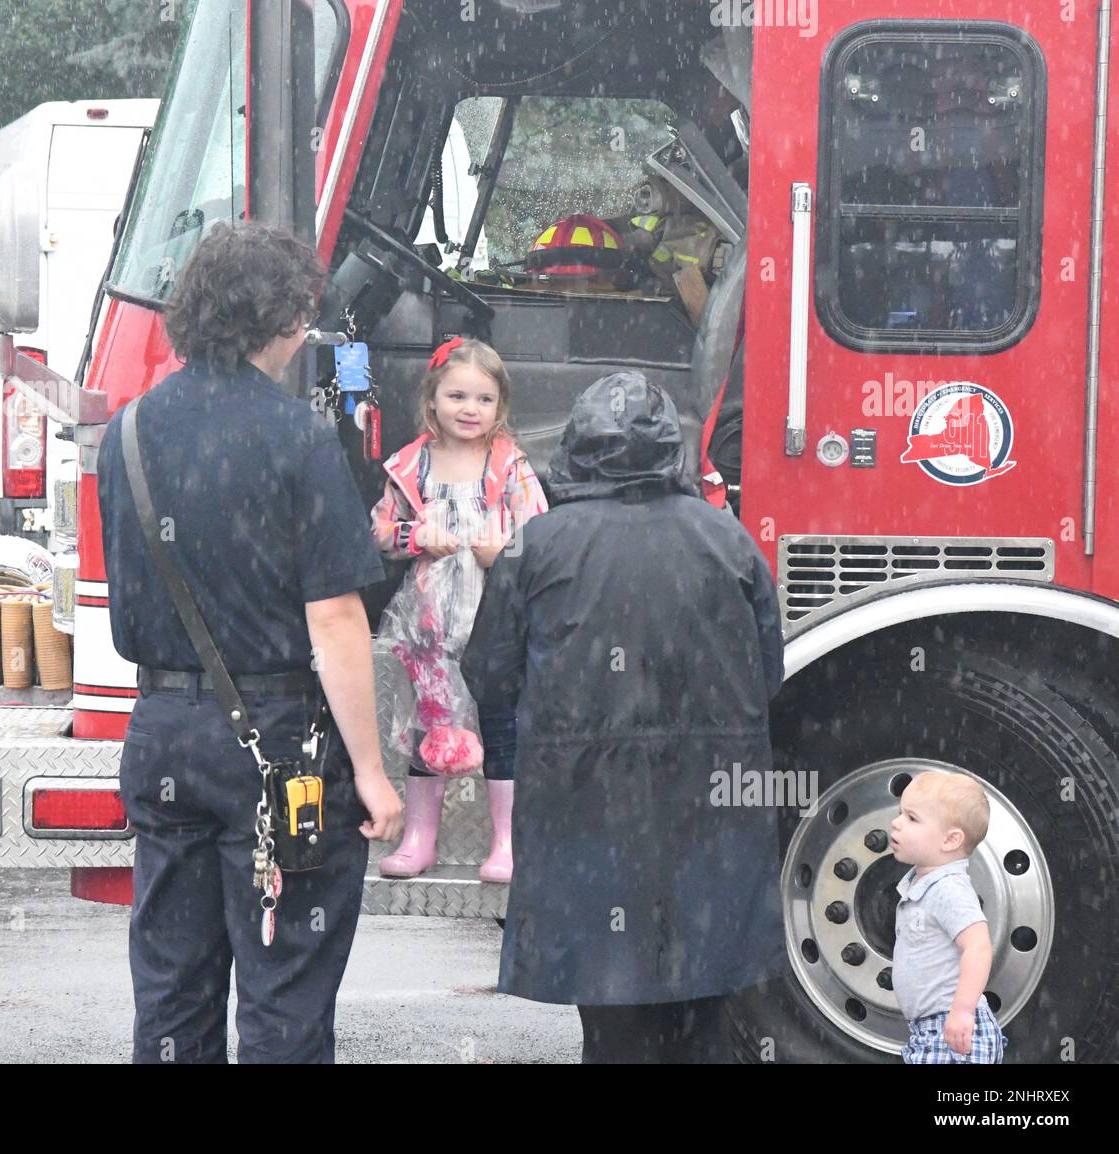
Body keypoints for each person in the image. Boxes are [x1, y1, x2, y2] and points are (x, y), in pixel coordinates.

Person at [97, 221, 403, 1064]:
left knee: (170, 989)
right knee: (284, 995)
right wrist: (373, 776)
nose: (305, 333)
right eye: (300, 316)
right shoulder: (300, 437)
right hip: (277, 745)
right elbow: (336, 618)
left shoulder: (125, 435)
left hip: (161, 733)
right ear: (274, 320)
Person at [461, 371, 785, 1063]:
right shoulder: (727, 540)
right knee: (705, 1007)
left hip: (584, 807)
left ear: (575, 449)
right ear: (672, 450)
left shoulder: (537, 545)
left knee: (612, 1019)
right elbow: (768, 675)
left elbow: (488, 673)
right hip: (713, 805)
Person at [370, 337, 548, 882]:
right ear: (432, 401)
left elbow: (541, 531)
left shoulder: (509, 464)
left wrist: (505, 553)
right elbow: (377, 531)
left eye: (484, 399)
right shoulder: (409, 464)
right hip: (429, 626)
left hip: (494, 624)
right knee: (433, 729)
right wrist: (416, 533)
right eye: (457, 396)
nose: (470, 410)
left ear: (500, 407)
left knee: (500, 728)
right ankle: (422, 838)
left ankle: (506, 842)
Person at [890, 770, 1005, 1064]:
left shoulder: (948, 889)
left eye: (912, 819)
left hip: (952, 1028)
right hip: (929, 1029)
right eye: (900, 813)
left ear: (951, 839)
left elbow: (978, 946)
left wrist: (962, 1011)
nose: (896, 823)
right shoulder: (924, 885)